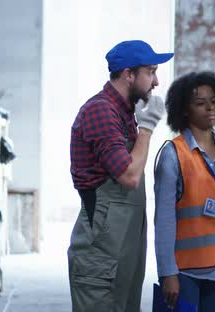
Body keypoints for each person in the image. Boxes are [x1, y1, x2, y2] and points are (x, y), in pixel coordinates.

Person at [67, 40, 173, 312]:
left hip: (122, 247)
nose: (156, 81)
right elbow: (129, 176)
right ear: (128, 74)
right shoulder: (101, 110)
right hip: (100, 250)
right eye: (150, 72)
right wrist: (147, 129)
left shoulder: (125, 114)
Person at [154, 71, 215, 311]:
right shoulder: (173, 155)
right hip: (185, 271)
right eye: (200, 103)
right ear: (184, 110)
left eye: (214, 101)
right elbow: (163, 221)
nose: (210, 108)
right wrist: (167, 273)